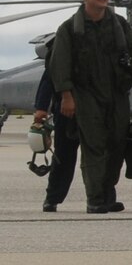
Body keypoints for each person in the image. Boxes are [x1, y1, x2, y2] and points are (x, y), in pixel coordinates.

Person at [48, 0, 132, 214]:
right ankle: (94, 199)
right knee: (94, 144)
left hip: (116, 92)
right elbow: (60, 64)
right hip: (85, 93)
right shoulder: (69, 28)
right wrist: (66, 96)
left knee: (117, 142)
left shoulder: (119, 25)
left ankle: (107, 193)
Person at [32, 64, 82, 211]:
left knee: (100, 156)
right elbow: (50, 75)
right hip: (66, 111)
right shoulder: (62, 46)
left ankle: (103, 198)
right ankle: (52, 198)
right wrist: (41, 107)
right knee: (63, 155)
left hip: (97, 107)